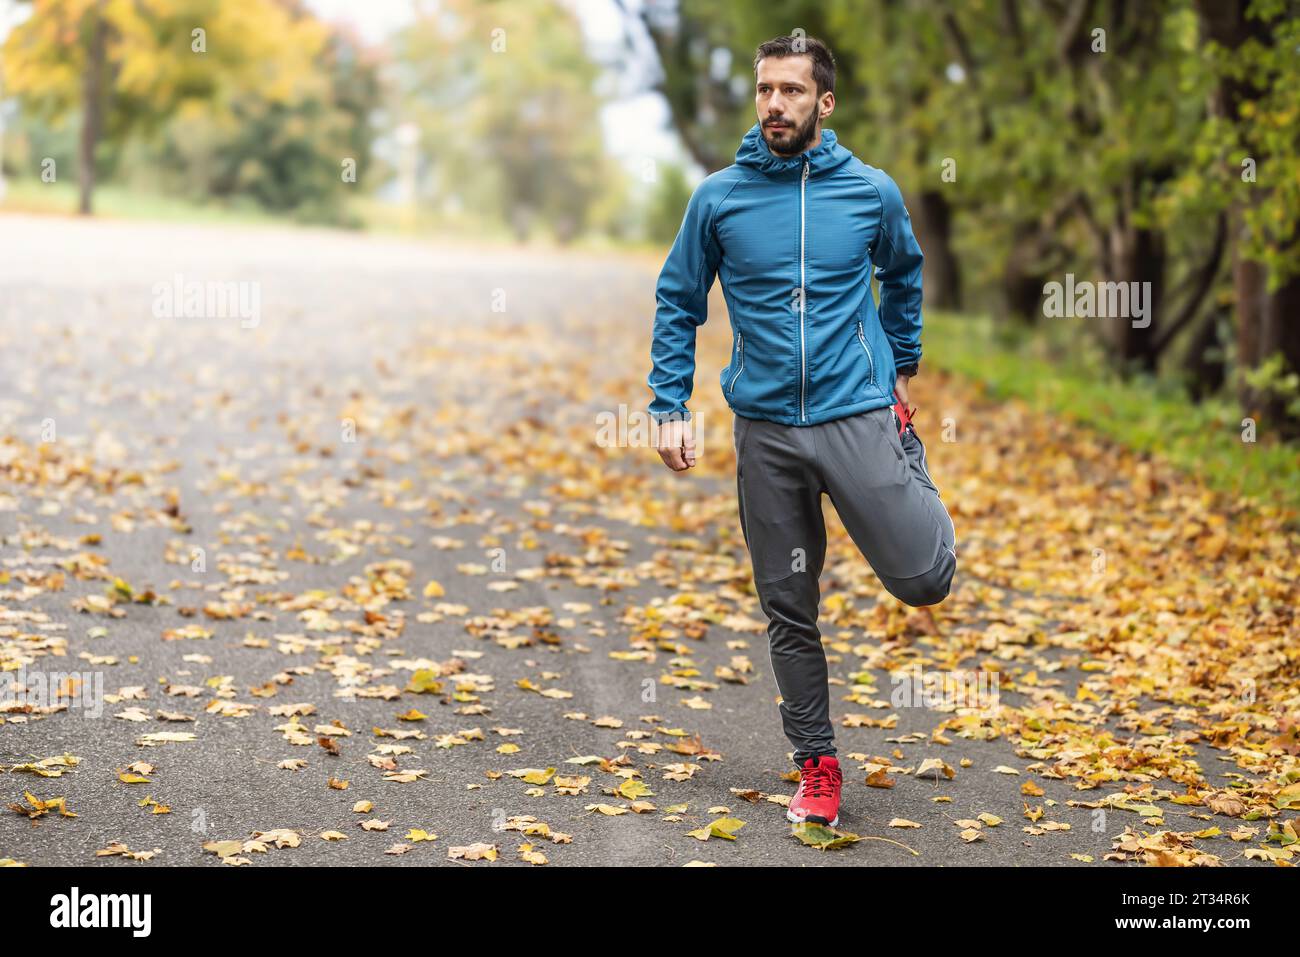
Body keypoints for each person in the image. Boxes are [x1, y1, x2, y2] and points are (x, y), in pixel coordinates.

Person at [646, 35, 957, 828]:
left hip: (857, 415)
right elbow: (679, 299)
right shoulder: (719, 198)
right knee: (789, 603)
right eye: (764, 90)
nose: (775, 104)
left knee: (925, 579)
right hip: (767, 432)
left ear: (824, 102)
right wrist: (667, 403)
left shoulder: (870, 191)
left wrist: (902, 360)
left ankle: (908, 451)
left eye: (790, 90)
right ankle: (816, 764)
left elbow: (904, 269)